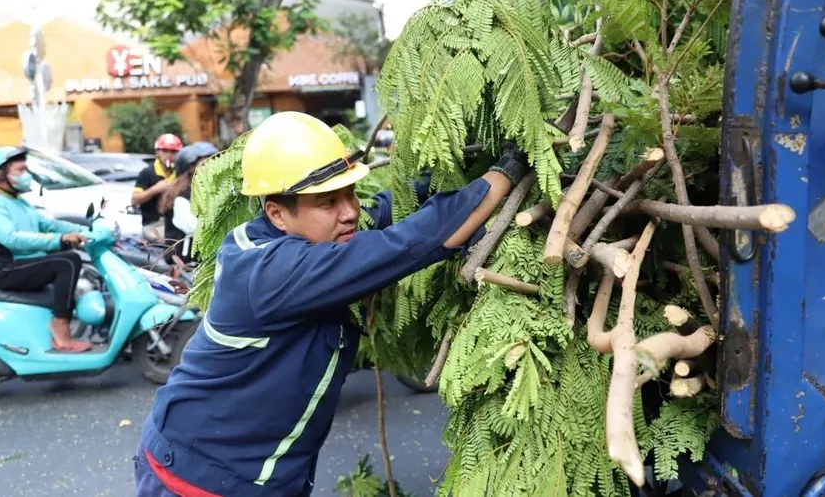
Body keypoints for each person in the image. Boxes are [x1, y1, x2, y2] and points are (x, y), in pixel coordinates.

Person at [134, 112, 529, 496]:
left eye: (351, 193)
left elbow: (385, 215)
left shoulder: (272, 239)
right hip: (196, 479)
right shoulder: (275, 271)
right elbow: (409, 243)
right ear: (277, 213)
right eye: (328, 202)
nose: (351, 211)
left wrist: (438, 174)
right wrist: (506, 171)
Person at [0, 147, 93, 353]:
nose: (26, 175)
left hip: (20, 264)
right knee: (67, 261)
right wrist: (61, 240)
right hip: (2, 271)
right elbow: (12, 239)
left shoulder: (18, 201)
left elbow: (49, 224)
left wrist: (87, 230)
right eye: (20, 170)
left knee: (70, 259)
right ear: (0, 174)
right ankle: (61, 329)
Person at [157, 141, 219, 265]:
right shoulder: (181, 197)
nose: (210, 169)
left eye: (214, 163)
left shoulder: (209, 190)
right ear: (191, 169)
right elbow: (194, 228)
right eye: (204, 165)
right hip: (183, 264)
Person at [132, 134, 183, 243]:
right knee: (171, 241)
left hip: (177, 223)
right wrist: (155, 189)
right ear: (157, 152)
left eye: (173, 152)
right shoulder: (147, 173)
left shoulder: (180, 173)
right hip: (154, 224)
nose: (169, 155)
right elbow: (134, 200)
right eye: (165, 151)